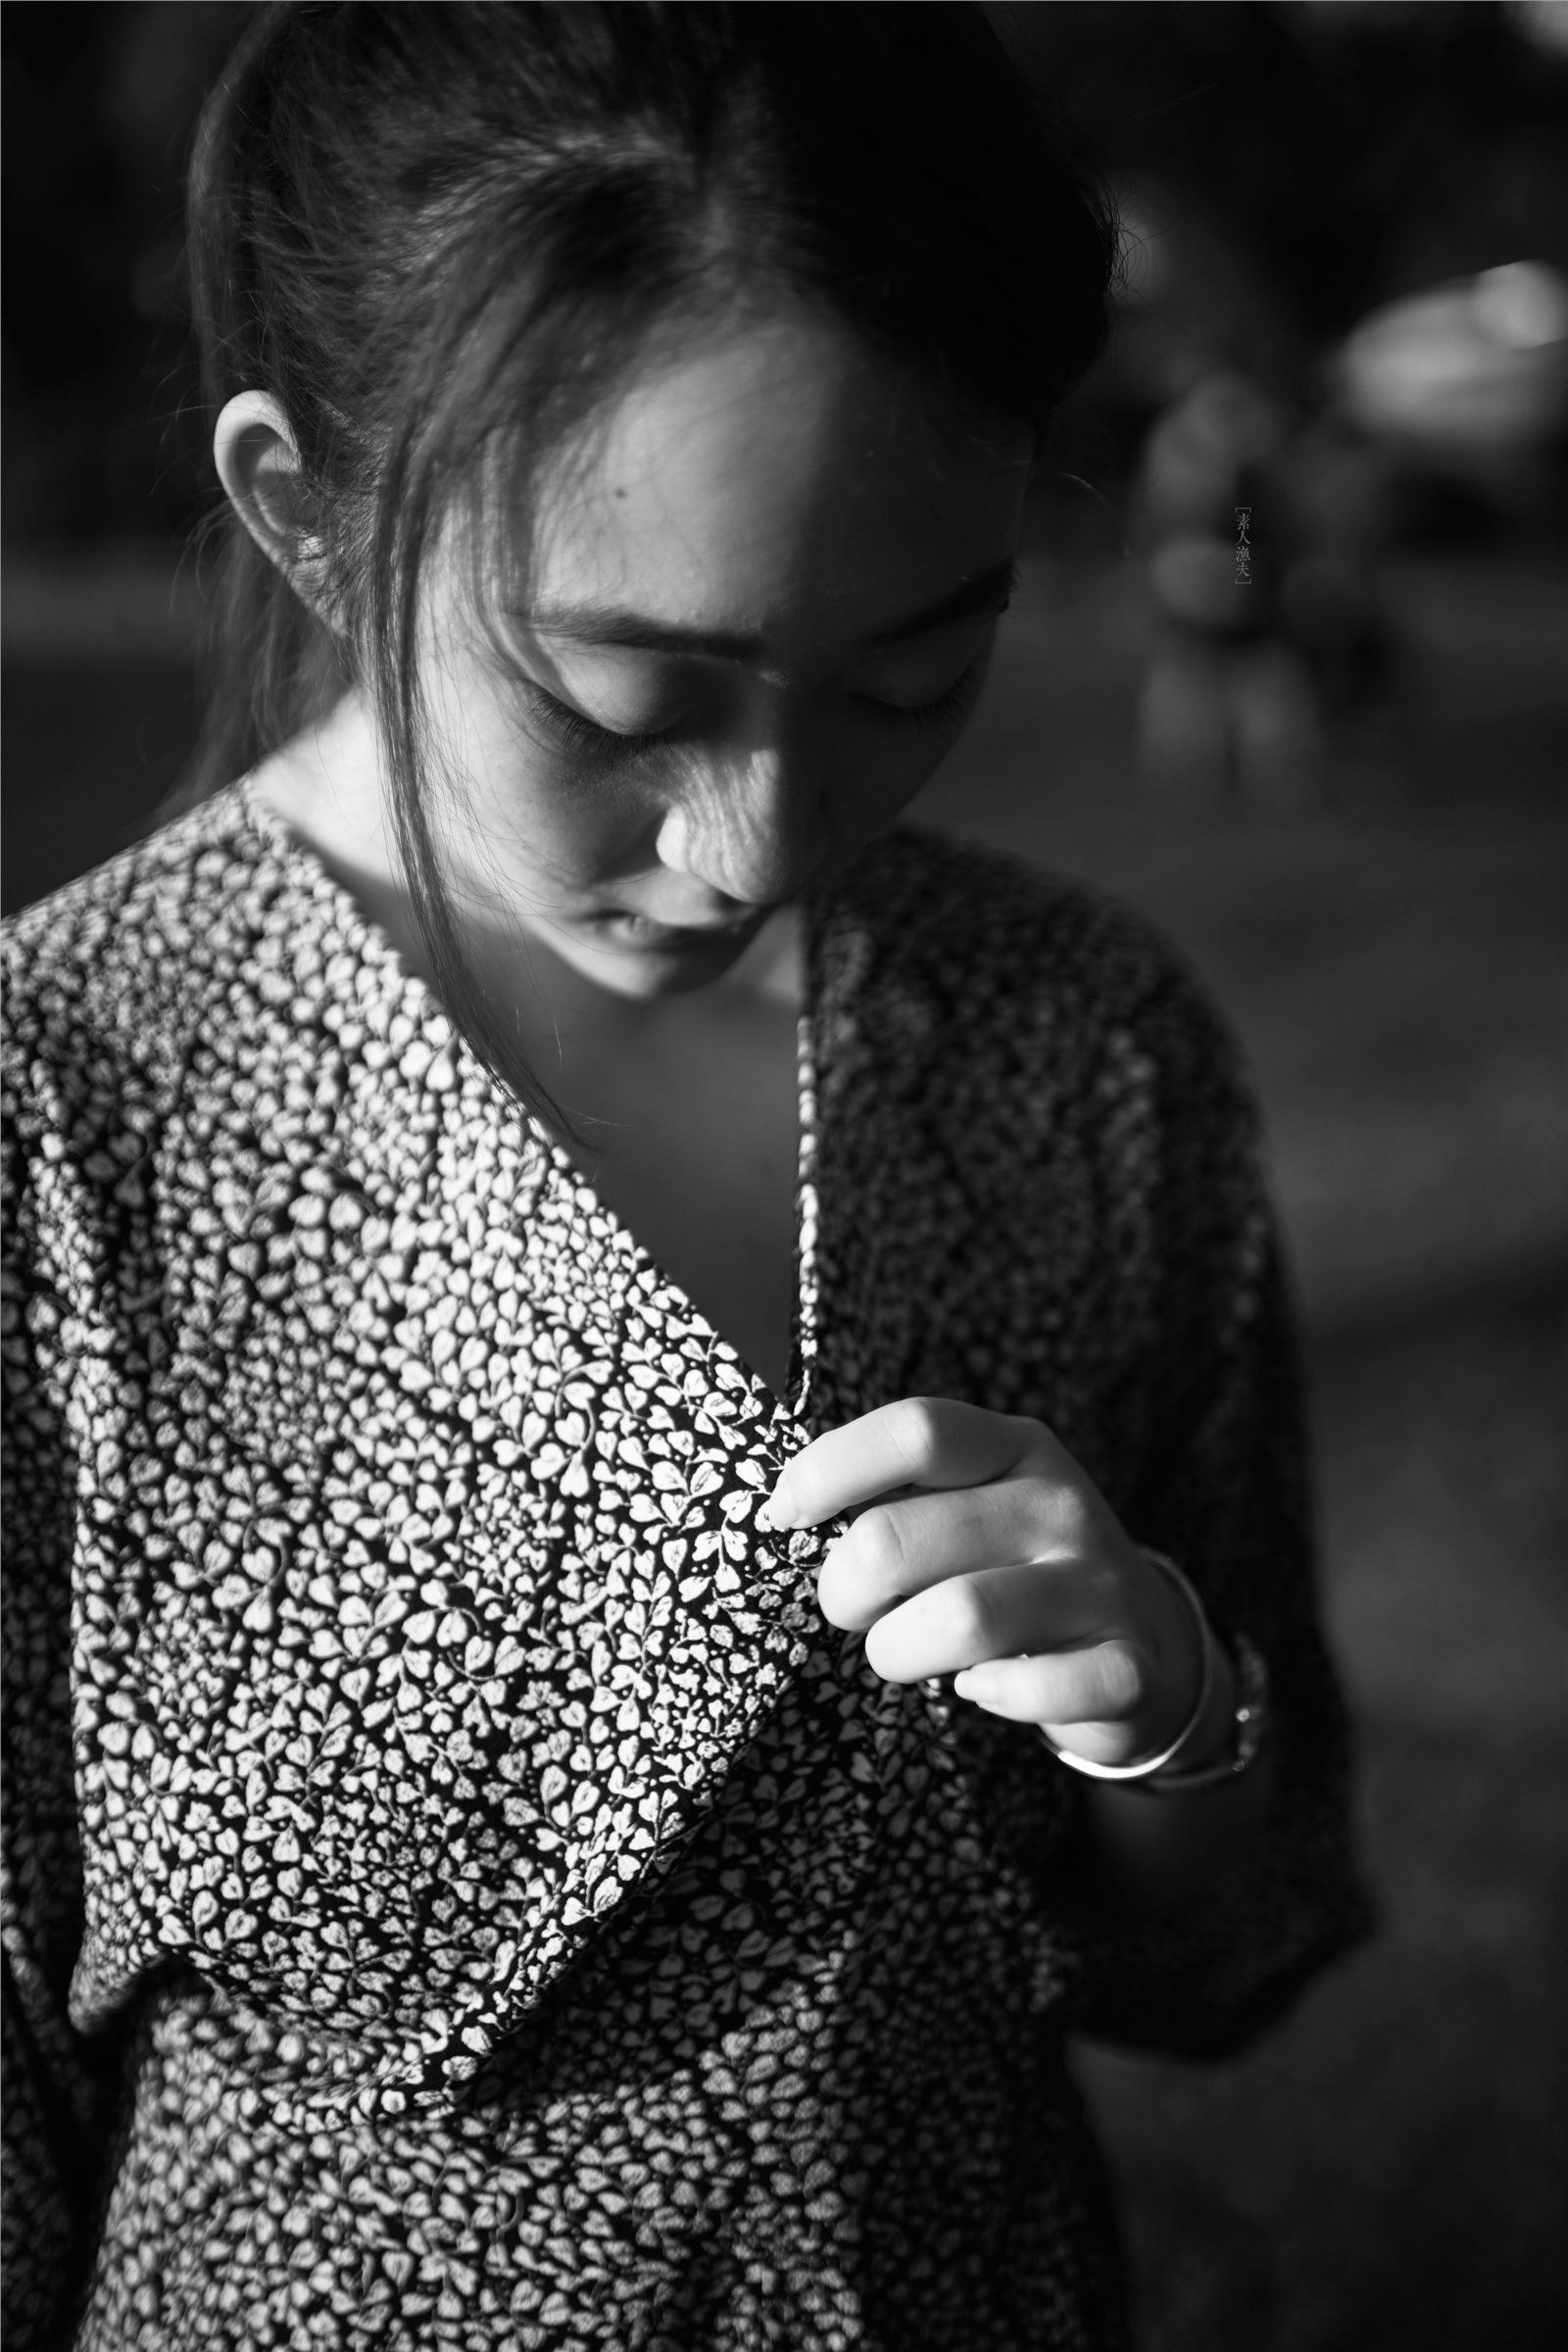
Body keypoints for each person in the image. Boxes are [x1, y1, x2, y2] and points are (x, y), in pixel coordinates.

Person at [0, 7, 1374, 2347]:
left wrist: (1159, 1719)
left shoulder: (1080, 1046)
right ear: (305, 517)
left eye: (908, 670)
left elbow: (1216, 1943)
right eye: (627, 703)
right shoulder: (70, 1112)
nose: (759, 839)